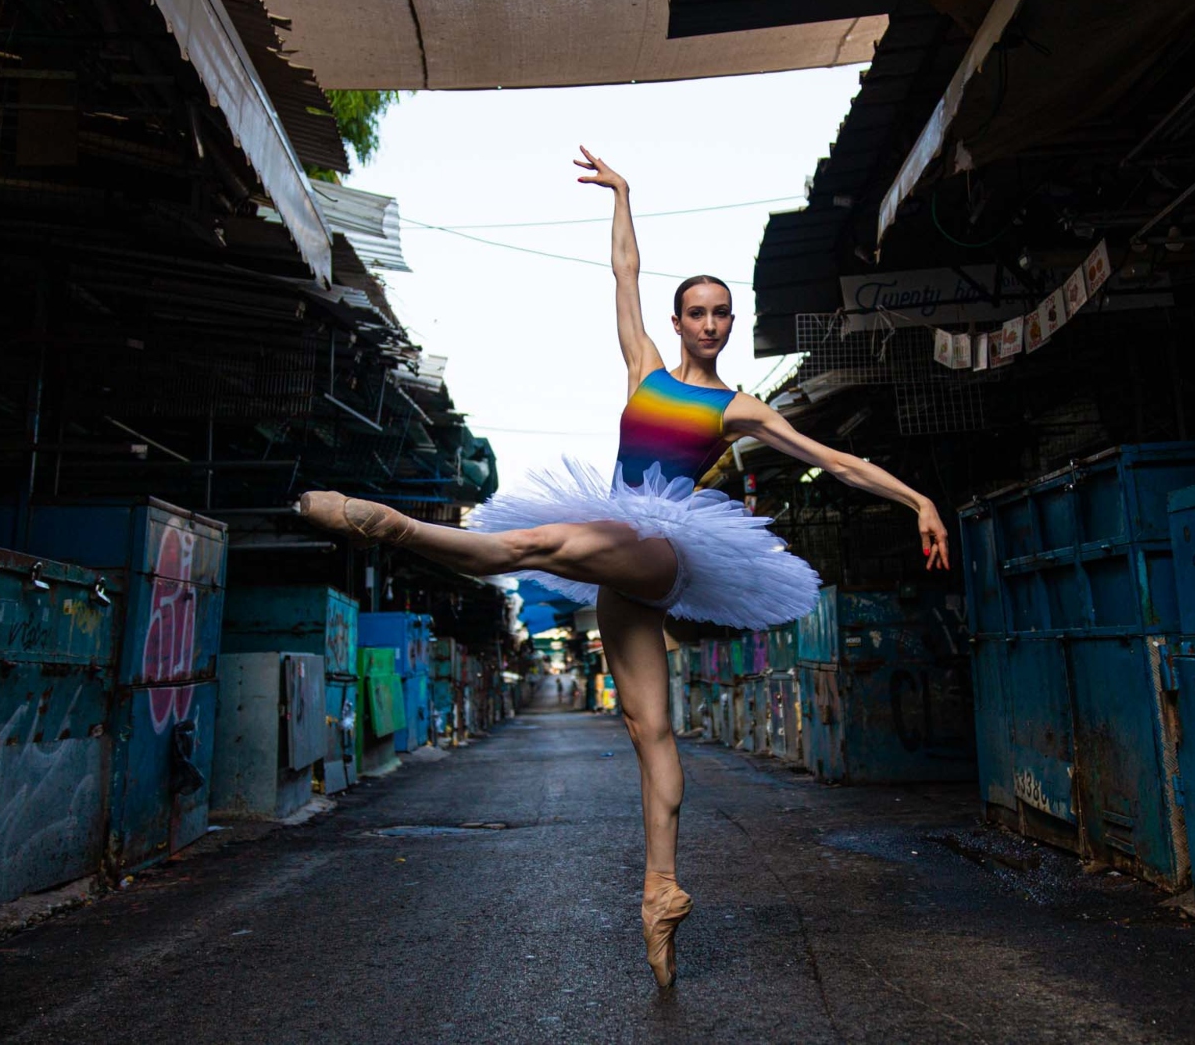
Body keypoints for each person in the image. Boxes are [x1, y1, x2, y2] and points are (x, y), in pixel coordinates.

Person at [296, 147, 951, 988]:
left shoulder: (735, 407)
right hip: (623, 568)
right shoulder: (643, 367)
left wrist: (917, 501)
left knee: (534, 546)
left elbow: (839, 459)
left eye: (722, 314)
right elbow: (623, 271)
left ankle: (389, 524)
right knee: (649, 730)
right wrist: (623, 196)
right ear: (677, 323)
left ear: (729, 324)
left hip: (665, 544)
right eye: (699, 312)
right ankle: (661, 889)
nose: (711, 324)